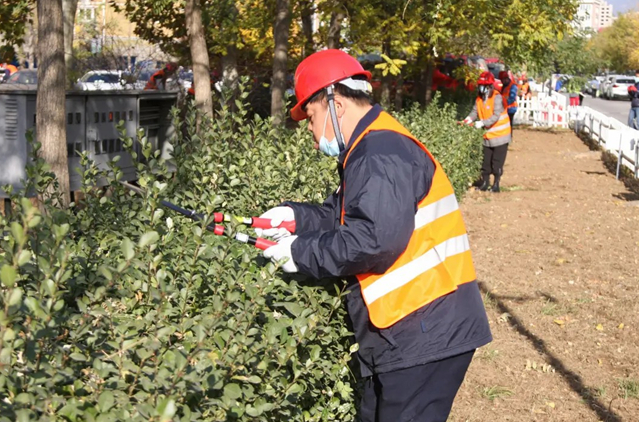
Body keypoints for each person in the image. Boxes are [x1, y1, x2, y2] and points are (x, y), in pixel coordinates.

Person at [258, 49, 492, 422]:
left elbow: (373, 240)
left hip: (423, 332)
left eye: (312, 116)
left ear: (335, 103)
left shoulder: (379, 150)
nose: (309, 130)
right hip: (412, 330)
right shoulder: (370, 147)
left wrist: (300, 254)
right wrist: (294, 218)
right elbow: (346, 217)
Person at [463, 71, 512, 193]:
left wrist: (482, 123)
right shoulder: (479, 99)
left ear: (489, 86)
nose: (481, 88)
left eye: (483, 86)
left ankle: (496, 184)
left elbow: (495, 116)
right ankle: (485, 182)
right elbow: (475, 112)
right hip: (488, 136)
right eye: (480, 85)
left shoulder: (497, 97)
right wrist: (469, 119)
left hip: (501, 136)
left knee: (497, 162)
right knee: (485, 161)